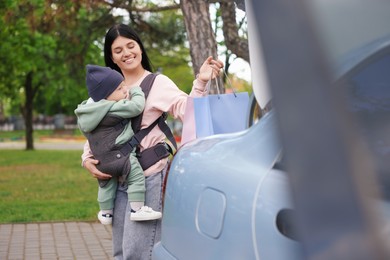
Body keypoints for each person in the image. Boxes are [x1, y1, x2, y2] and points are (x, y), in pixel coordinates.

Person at [81, 24, 224, 259]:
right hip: (117, 180)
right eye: (118, 50)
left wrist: (201, 81)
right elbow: (96, 128)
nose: (126, 53)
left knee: (137, 253)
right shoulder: (106, 88)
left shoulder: (157, 83)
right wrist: (87, 158)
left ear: (139, 47)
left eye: (130, 45)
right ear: (111, 56)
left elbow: (189, 111)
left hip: (148, 176)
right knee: (120, 253)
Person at [75, 64, 162, 225]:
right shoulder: (113, 108)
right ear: (105, 96)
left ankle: (106, 213)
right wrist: (136, 91)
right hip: (120, 157)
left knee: (106, 185)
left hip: (100, 161)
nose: (125, 90)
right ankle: (137, 209)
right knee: (135, 176)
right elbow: (136, 107)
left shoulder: (86, 113)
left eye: (124, 86)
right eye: (120, 88)